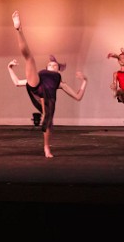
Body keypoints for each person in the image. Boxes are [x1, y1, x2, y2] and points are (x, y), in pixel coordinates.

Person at [8, 11, 87, 158]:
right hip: (37, 84)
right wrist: (9, 68)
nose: (52, 65)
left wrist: (85, 81)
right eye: (50, 64)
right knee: (29, 59)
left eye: (55, 65)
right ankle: (19, 30)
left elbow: (77, 97)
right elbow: (17, 83)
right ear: (46, 67)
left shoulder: (59, 81)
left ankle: (46, 147)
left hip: (47, 94)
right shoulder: (41, 74)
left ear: (58, 69)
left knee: (48, 120)